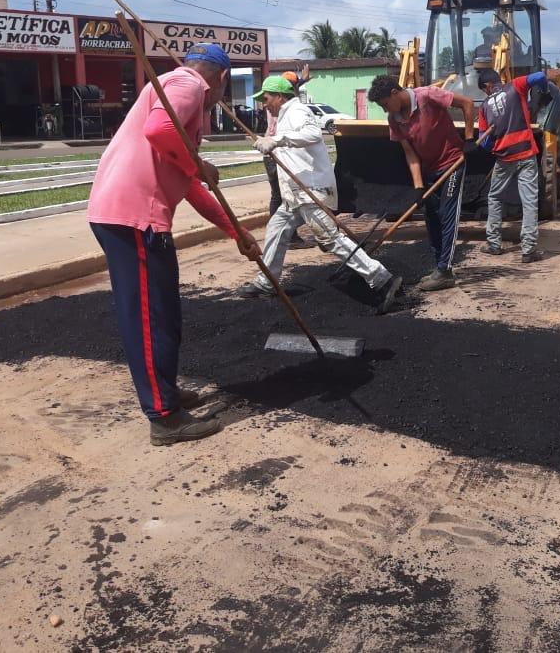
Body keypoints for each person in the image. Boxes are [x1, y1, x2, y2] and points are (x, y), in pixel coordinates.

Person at [88, 43, 262, 446]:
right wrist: (198, 163)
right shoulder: (188, 84)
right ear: (220, 79)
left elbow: (190, 186)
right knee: (149, 320)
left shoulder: (177, 93)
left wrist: (239, 234)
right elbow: (159, 131)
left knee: (164, 313)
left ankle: (165, 392)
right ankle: (164, 418)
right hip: (131, 217)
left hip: (132, 216)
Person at [238, 75, 403, 312]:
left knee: (330, 239)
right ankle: (267, 281)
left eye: (266, 98)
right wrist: (272, 143)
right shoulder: (283, 116)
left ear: (280, 97)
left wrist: (277, 141)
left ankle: (381, 278)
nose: (264, 104)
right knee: (277, 229)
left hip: (310, 190)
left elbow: (313, 135)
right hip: (295, 194)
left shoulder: (297, 111)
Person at [368, 74, 476, 291]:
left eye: (385, 104)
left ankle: (445, 270)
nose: (385, 110)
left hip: (452, 162)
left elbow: (467, 103)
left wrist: (469, 138)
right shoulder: (394, 120)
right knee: (432, 217)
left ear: (394, 93)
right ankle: (439, 267)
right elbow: (411, 154)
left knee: (448, 213)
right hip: (428, 170)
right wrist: (418, 187)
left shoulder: (427, 96)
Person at [476, 68, 544, 263]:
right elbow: (539, 77)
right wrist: (543, 91)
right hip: (525, 153)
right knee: (529, 201)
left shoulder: (484, 107)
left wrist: (490, 140)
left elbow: (486, 142)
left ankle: (494, 244)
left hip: (504, 158)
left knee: (495, 197)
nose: (486, 93)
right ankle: (528, 251)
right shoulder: (516, 86)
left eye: (484, 90)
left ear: (488, 86)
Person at [262, 68, 314, 248]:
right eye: (293, 86)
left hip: (275, 150)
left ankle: (285, 235)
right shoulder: (282, 107)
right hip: (276, 151)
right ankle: (288, 237)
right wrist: (302, 81)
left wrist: (302, 80)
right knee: (282, 195)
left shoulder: (281, 102)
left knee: (280, 195)